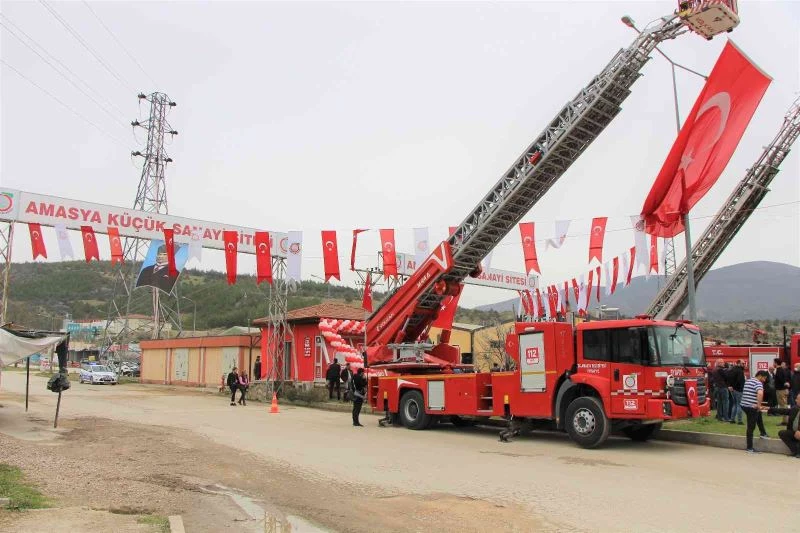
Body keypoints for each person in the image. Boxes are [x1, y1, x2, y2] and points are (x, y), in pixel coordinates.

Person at [741, 370, 770, 454]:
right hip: (751, 407)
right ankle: (749, 448)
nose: (764, 380)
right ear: (760, 376)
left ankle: (763, 433)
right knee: (751, 426)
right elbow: (760, 393)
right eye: (764, 378)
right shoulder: (758, 383)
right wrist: (759, 405)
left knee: (758, 415)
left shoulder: (748, 380)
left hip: (744, 405)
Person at [767, 391, 800, 458]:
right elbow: (783, 411)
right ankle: (795, 451)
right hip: (794, 432)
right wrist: (770, 409)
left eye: (797, 399)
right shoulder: (795, 408)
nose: (795, 400)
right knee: (782, 433)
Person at [727, 359, 745, 425]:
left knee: (734, 404)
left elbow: (728, 378)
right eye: (743, 363)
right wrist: (742, 388)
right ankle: (739, 420)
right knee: (739, 405)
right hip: (738, 389)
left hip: (732, 389)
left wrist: (730, 386)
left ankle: (732, 419)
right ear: (738, 363)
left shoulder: (731, 369)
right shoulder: (740, 371)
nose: (744, 365)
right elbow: (740, 381)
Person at [774, 360, 791, 425]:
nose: (773, 364)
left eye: (774, 362)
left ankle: (785, 421)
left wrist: (786, 385)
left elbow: (782, 380)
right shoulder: (781, 370)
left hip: (781, 390)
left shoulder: (779, 370)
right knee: (783, 405)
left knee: (783, 406)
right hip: (782, 390)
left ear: (776, 363)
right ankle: (785, 420)